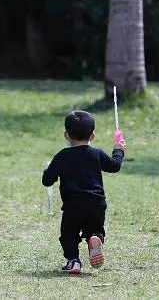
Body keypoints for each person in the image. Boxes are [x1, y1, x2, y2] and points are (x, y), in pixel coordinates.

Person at [42, 109, 126, 274]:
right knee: (95, 228)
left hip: (72, 206)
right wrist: (118, 150)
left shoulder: (62, 156)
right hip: (96, 203)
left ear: (66, 135)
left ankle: (73, 261)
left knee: (69, 235)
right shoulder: (97, 154)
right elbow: (114, 166)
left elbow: (47, 180)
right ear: (92, 136)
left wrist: (48, 171)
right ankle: (95, 237)